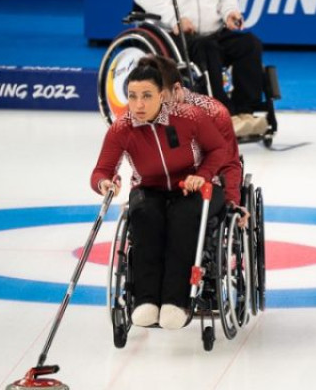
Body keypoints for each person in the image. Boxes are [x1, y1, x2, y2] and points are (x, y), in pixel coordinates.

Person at [91, 57, 229, 330]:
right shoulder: (122, 128)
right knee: (144, 215)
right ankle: (146, 301)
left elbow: (219, 149)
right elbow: (101, 171)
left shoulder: (188, 116)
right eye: (132, 96)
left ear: (162, 95)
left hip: (194, 188)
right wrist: (104, 183)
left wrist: (201, 176)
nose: (139, 104)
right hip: (150, 189)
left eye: (146, 96)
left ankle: (175, 302)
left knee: (183, 218)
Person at [132, 0, 269, 138]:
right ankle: (224, 114)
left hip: (213, 29)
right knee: (207, 48)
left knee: (249, 44)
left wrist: (230, 11)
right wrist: (173, 18)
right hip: (174, 31)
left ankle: (245, 112)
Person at [149, 54, 251, 227]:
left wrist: (232, 202)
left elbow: (229, 164)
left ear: (177, 90)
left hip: (205, 190)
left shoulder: (214, 113)